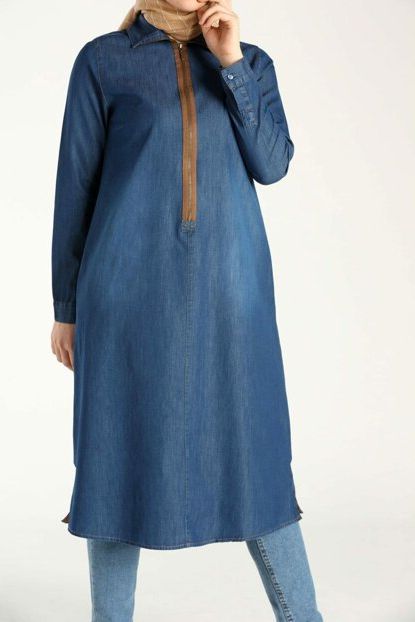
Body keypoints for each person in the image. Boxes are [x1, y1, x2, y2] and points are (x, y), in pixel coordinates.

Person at [50, 1, 324, 620]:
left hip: (233, 298)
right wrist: (66, 307)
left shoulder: (250, 62)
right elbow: (76, 186)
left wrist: (229, 62)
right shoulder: (103, 61)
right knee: (115, 459)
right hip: (125, 298)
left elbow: (273, 164)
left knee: (256, 460)